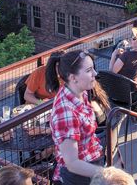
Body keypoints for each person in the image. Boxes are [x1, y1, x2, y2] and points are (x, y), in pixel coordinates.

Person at [48, 51, 105, 184]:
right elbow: (72, 164)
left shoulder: (80, 92)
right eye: (89, 70)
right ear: (73, 78)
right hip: (78, 177)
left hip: (92, 162)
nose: (95, 74)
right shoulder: (66, 112)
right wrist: (107, 174)